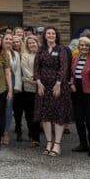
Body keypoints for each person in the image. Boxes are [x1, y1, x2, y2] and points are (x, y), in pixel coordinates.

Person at [34, 27, 72, 157]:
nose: (51, 35)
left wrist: (59, 83)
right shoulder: (41, 50)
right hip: (43, 87)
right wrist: (38, 82)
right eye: (48, 33)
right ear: (45, 36)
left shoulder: (61, 49)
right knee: (45, 115)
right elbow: (36, 68)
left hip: (58, 87)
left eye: (53, 33)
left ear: (56, 36)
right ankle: (49, 142)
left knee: (58, 114)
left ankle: (57, 144)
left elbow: (64, 67)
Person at [69, 37, 90, 157]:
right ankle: (83, 144)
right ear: (79, 47)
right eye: (82, 45)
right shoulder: (75, 59)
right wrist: (71, 84)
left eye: (86, 45)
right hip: (77, 93)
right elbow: (71, 74)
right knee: (78, 119)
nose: (84, 47)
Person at [20, 36, 41, 147]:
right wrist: (38, 81)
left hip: (42, 90)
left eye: (34, 42)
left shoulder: (43, 55)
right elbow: (26, 72)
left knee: (39, 114)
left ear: (38, 43)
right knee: (30, 114)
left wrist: (40, 82)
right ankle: (33, 137)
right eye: (30, 43)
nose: (32, 44)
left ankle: (37, 135)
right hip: (29, 89)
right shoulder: (25, 55)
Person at [3, 33, 23, 145]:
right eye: (7, 39)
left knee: (8, 108)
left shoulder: (15, 53)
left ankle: (6, 133)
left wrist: (17, 87)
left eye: (11, 39)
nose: (9, 41)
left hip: (12, 81)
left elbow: (18, 72)